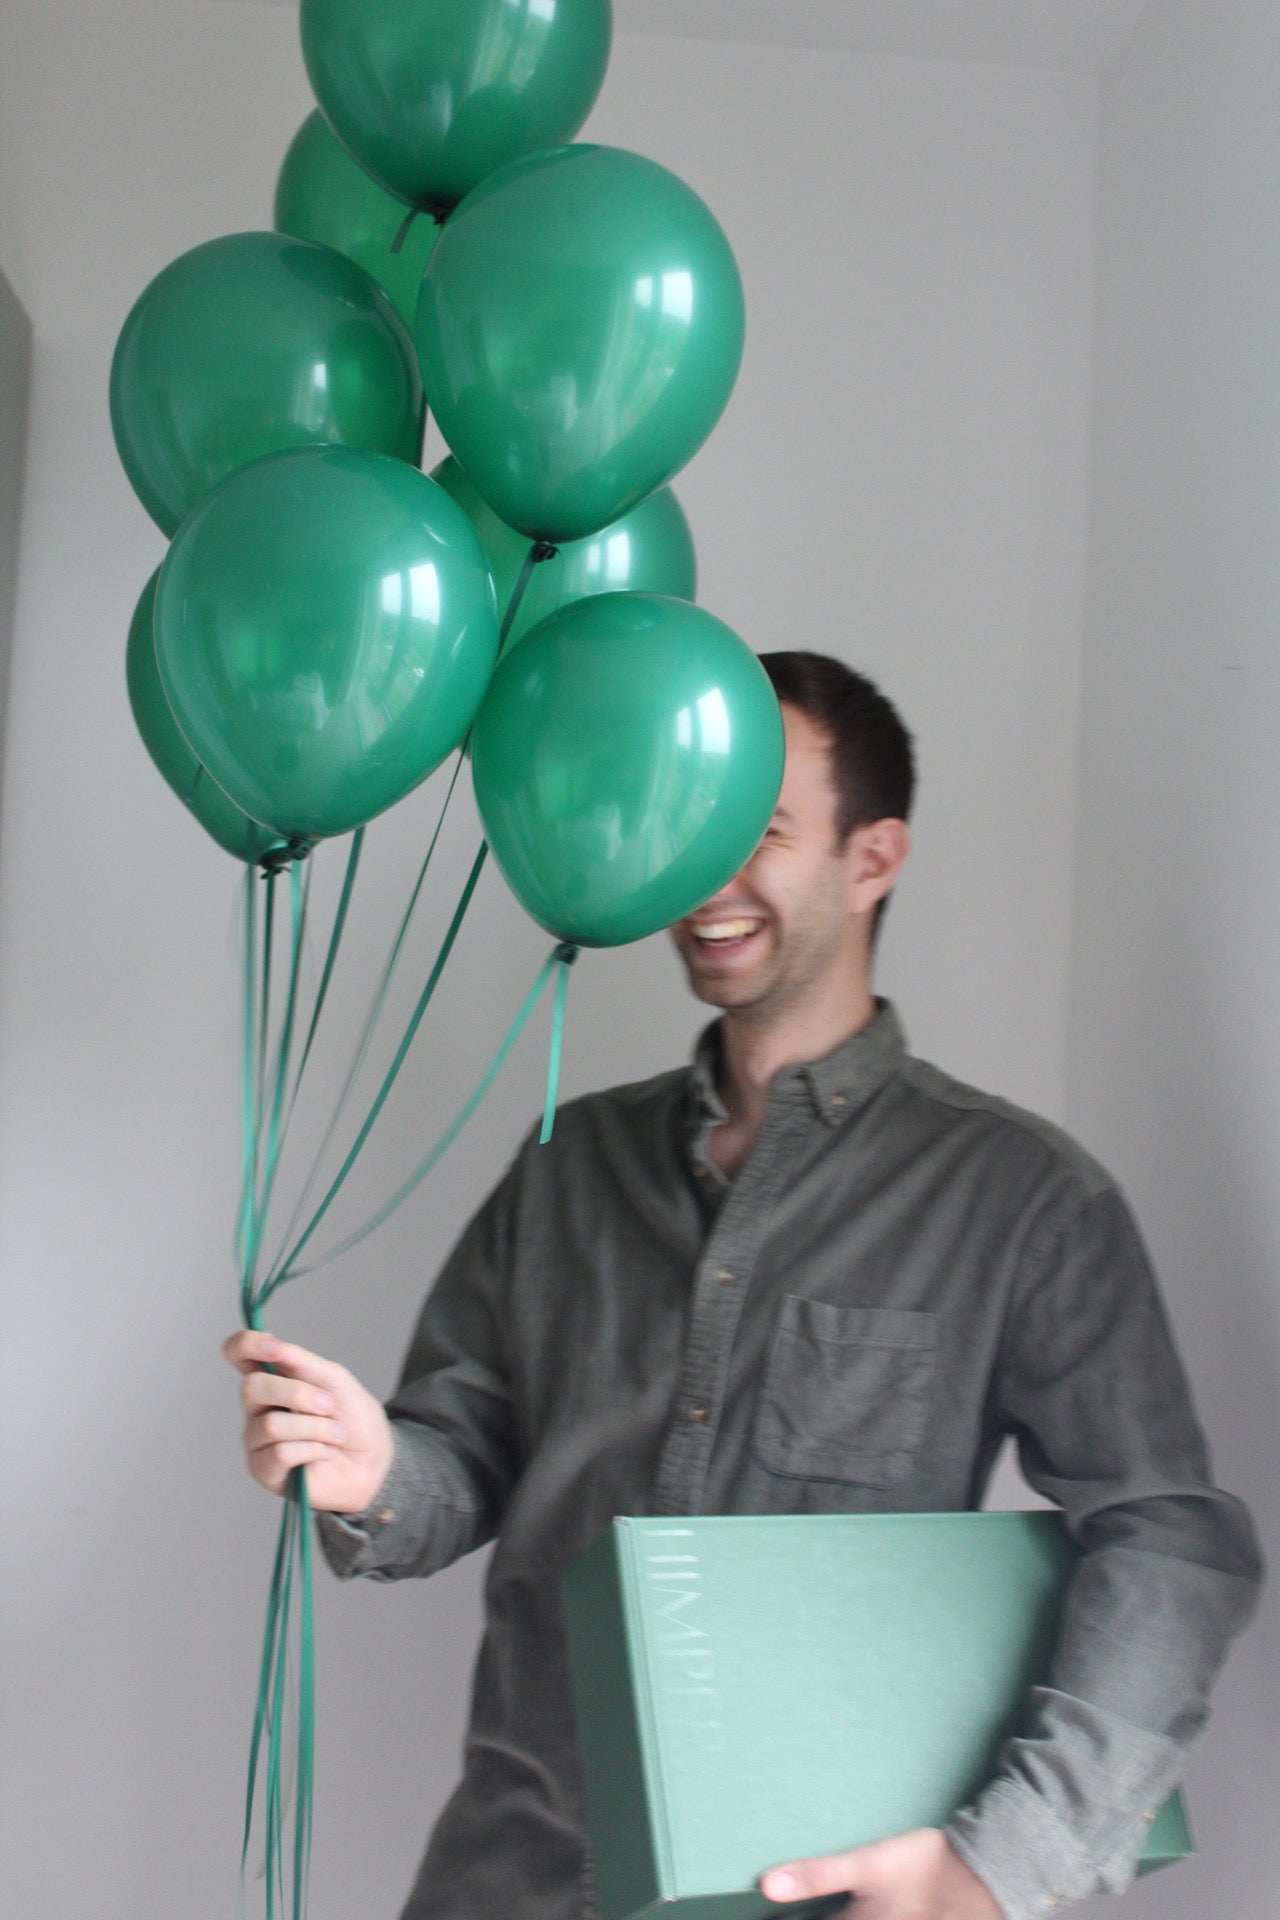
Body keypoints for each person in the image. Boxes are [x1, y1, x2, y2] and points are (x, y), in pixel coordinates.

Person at [225, 652, 1263, 1920]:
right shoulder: (568, 1162)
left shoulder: (1023, 1200)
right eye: (691, 828)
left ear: (871, 859)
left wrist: (1009, 1860)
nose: (706, 879)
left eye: (758, 834)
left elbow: (1169, 1536)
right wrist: (374, 1469)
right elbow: (463, 1461)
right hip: (512, 1884)